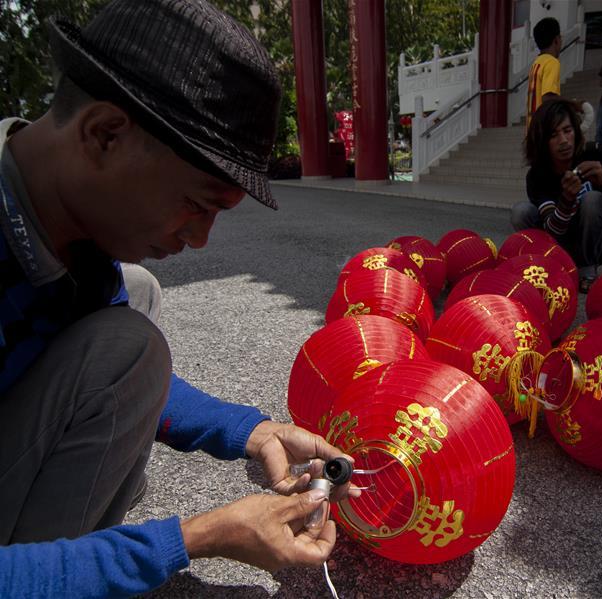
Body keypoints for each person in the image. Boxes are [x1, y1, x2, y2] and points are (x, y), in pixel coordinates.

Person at [0, 1, 354, 595]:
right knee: (129, 339)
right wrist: (194, 538)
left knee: (133, 304)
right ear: (104, 134)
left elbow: (121, 373)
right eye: (196, 204)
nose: (198, 239)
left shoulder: (70, 233)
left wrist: (255, 432)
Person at [512, 99, 602, 293]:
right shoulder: (538, 174)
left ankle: (587, 270)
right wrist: (567, 200)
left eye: (567, 130)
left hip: (595, 242)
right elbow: (553, 231)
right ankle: (547, 264)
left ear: (576, 131)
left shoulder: (595, 152)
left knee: (592, 199)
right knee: (521, 211)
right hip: (559, 243)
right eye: (553, 135)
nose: (563, 140)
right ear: (543, 142)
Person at [526, 17, 562, 129]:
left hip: (532, 129)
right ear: (557, 40)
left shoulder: (537, 62)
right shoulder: (552, 62)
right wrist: (573, 106)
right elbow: (548, 98)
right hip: (543, 129)